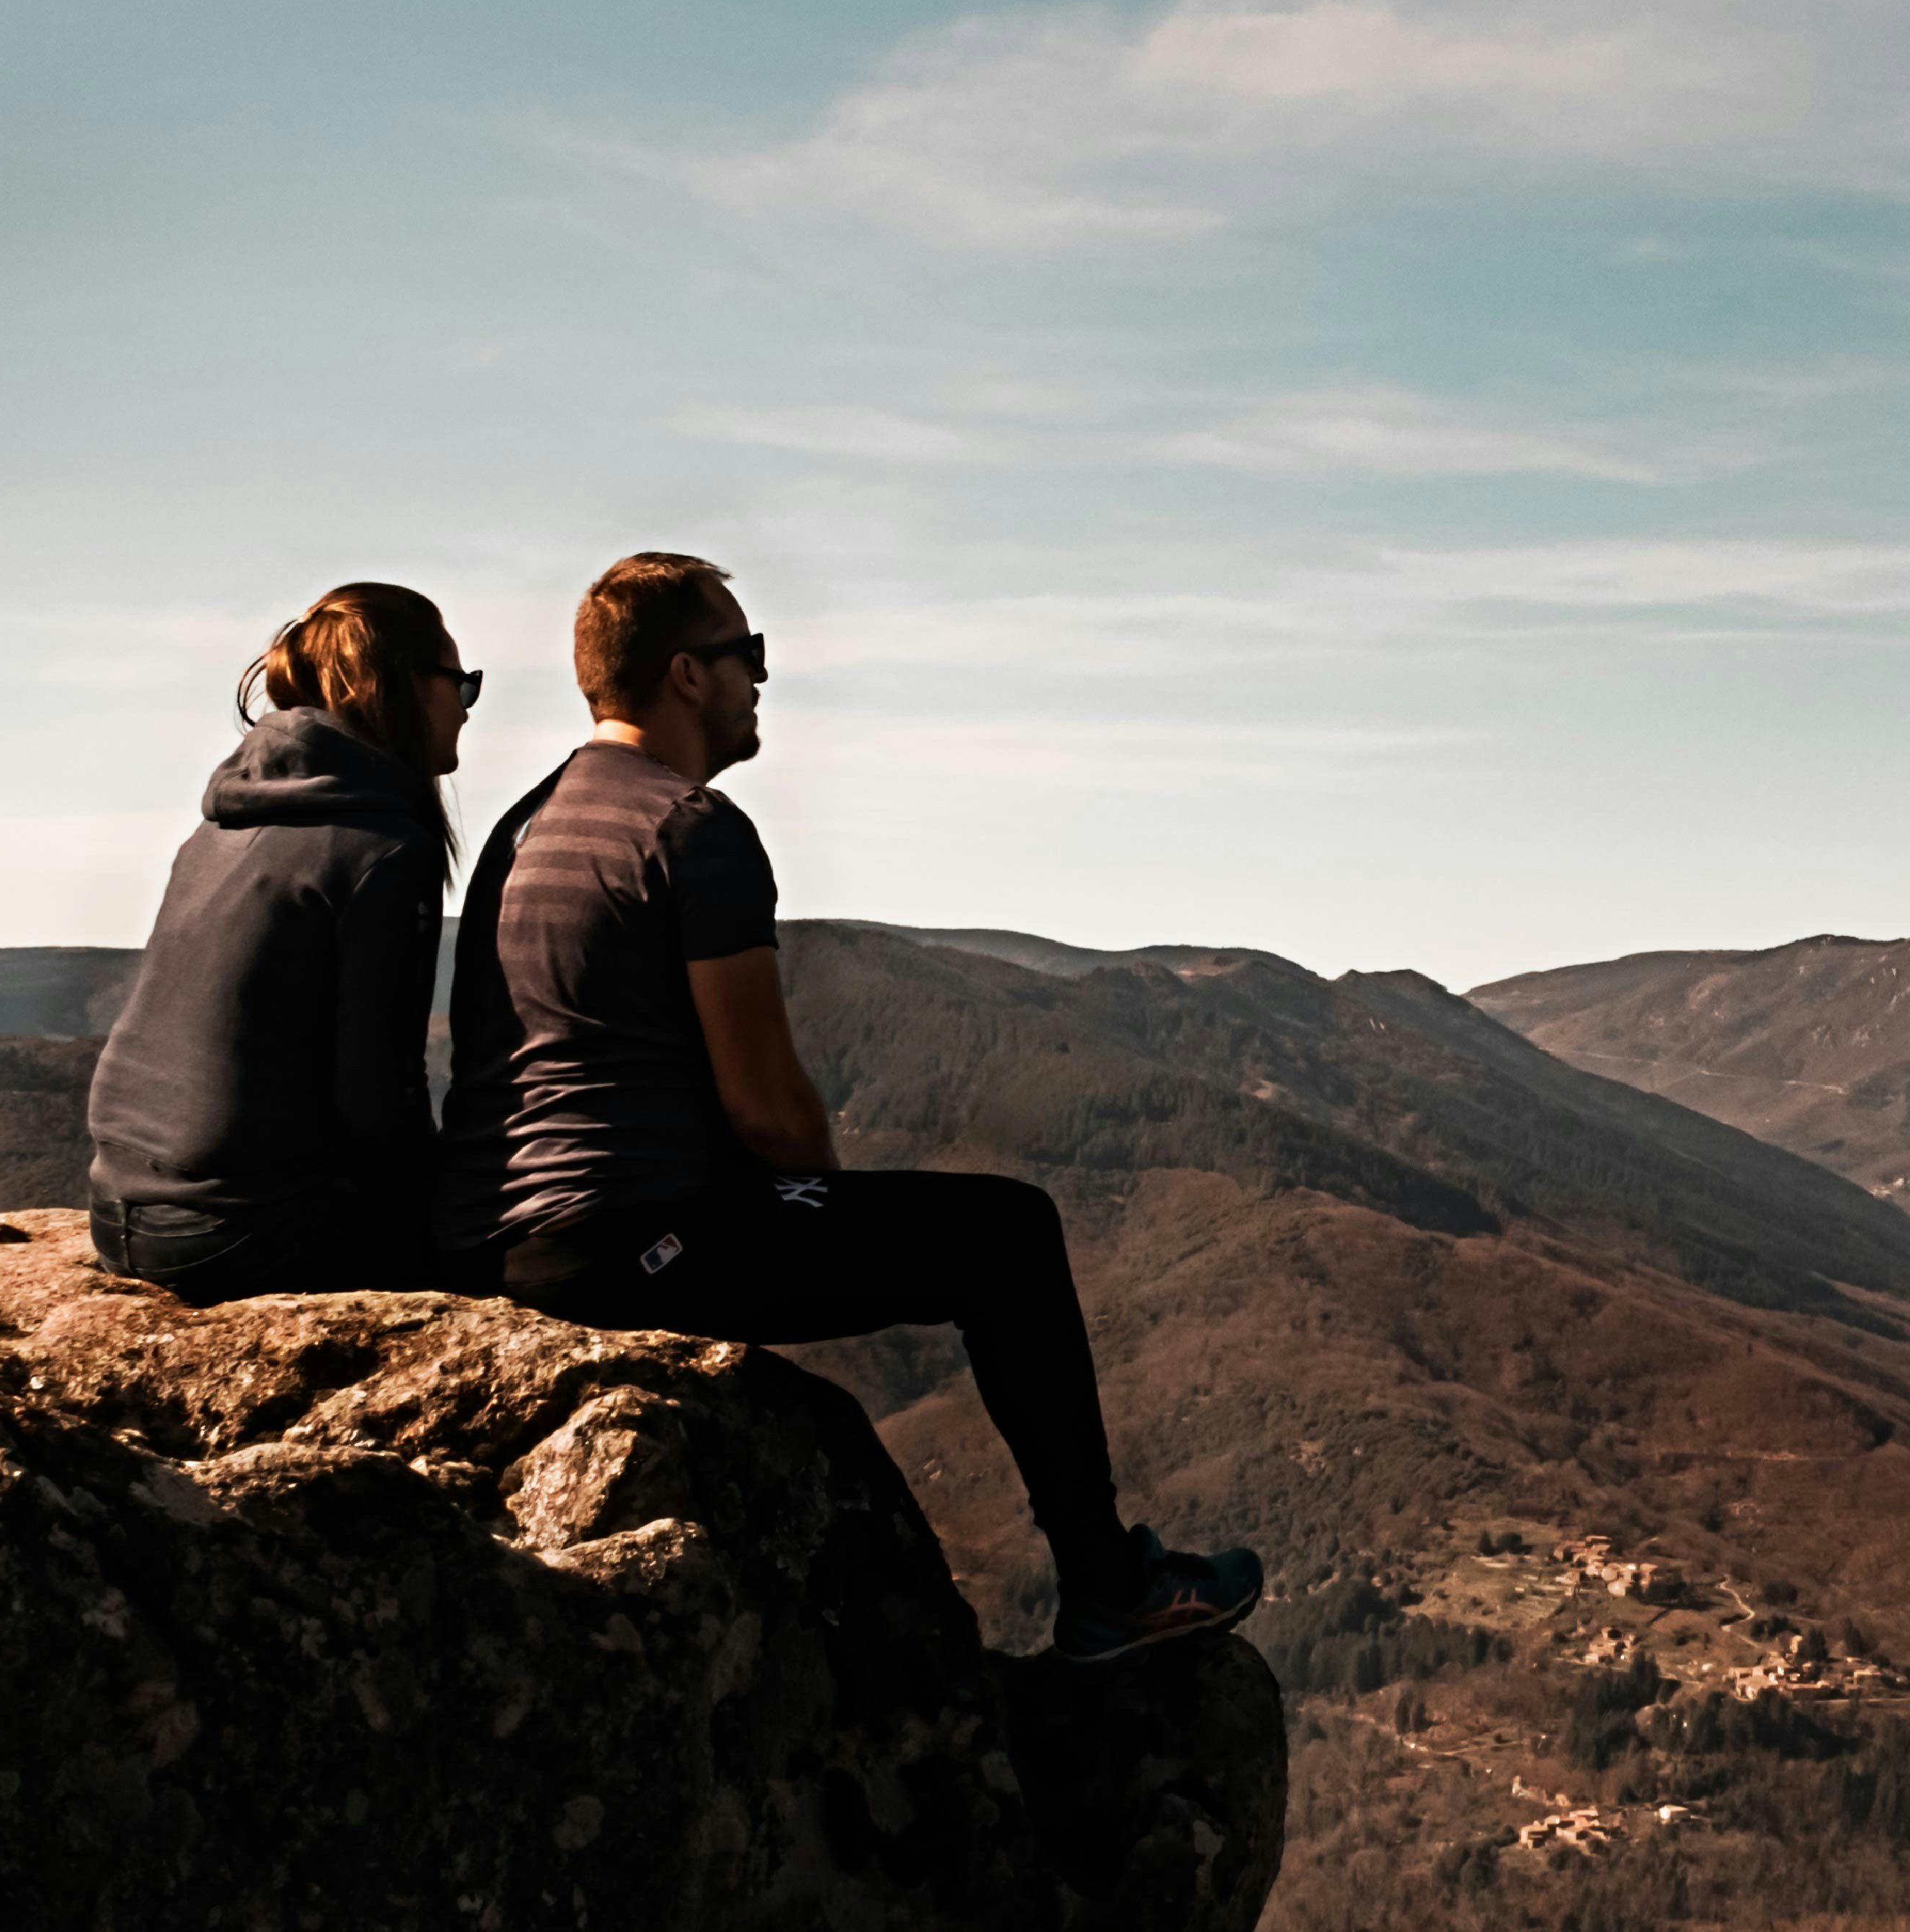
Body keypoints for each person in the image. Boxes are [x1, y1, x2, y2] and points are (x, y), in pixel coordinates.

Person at [435, 553, 1260, 1661]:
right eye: (749, 656)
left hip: (516, 1246)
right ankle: (1110, 1583)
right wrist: (808, 1192)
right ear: (686, 675)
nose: (762, 682)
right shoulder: (691, 829)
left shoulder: (522, 828)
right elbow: (771, 1111)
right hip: (643, 1243)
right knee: (1011, 1235)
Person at [86, 582, 476, 1302]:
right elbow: (379, 1099)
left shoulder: (222, 825)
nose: (465, 708)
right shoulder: (383, 850)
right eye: (462, 684)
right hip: (239, 1232)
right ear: (404, 687)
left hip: (118, 1213)